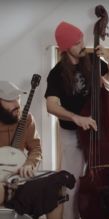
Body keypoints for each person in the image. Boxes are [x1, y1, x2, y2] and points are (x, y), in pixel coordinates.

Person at [44, 21, 109, 219]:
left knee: (99, 180)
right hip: (71, 134)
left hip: (96, 130)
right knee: (72, 186)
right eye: (77, 43)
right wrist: (76, 117)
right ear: (66, 48)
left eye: (82, 40)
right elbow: (51, 106)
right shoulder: (57, 73)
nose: (82, 45)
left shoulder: (92, 60)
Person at [0, 81, 63, 218]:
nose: (17, 104)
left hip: (18, 176)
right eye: (10, 100)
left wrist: (29, 165)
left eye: (18, 98)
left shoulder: (26, 118)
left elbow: (35, 148)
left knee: (55, 187)